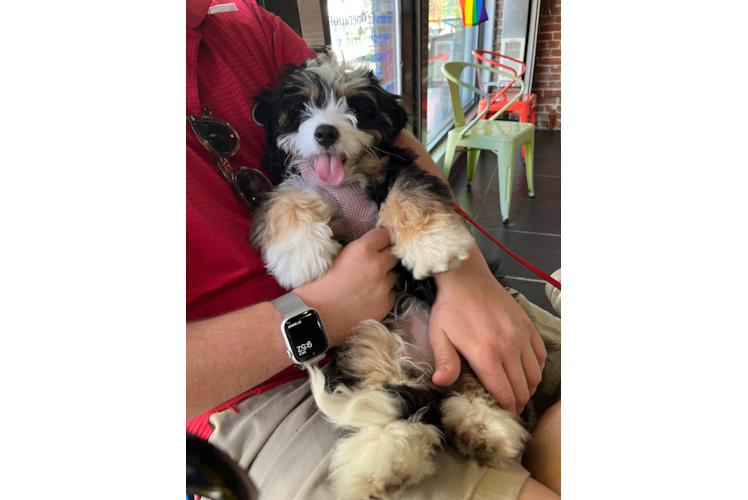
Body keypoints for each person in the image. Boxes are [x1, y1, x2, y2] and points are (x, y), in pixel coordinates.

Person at [186, 0, 561, 498]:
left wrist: (466, 279)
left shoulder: (252, 27)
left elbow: (398, 147)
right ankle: (424, 418)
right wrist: (318, 312)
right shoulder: (295, 191)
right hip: (255, 390)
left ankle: (473, 407)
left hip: (419, 288)